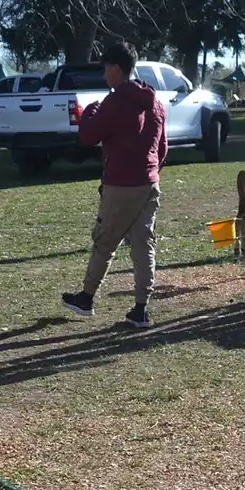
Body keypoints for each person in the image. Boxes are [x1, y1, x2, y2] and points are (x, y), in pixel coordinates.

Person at [60, 40, 168, 329]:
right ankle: (141, 308)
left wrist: (91, 111)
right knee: (144, 244)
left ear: (117, 69)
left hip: (121, 184)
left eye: (106, 69)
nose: (104, 75)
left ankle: (86, 297)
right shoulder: (155, 102)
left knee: (105, 241)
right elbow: (162, 148)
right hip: (149, 182)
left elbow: (88, 136)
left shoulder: (115, 100)